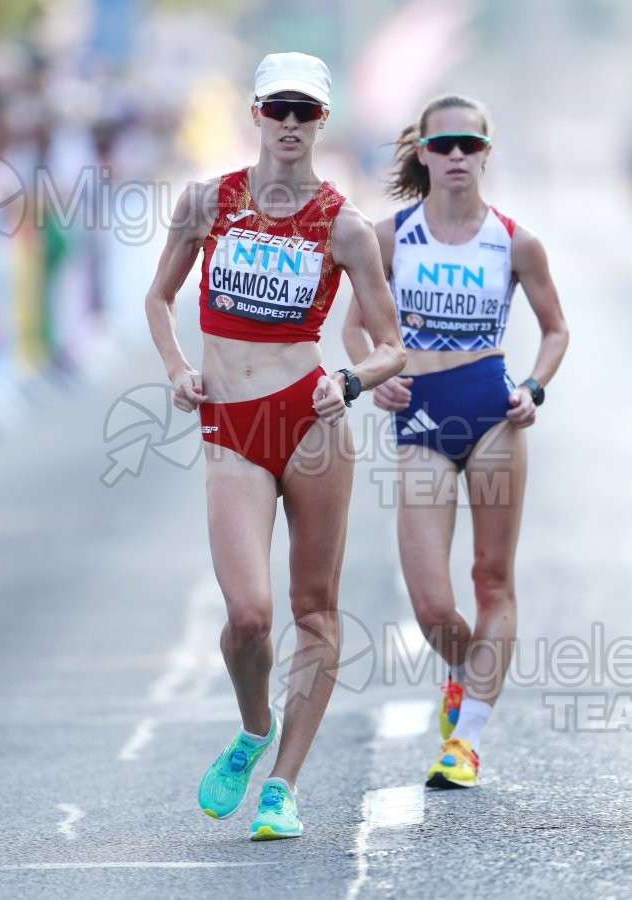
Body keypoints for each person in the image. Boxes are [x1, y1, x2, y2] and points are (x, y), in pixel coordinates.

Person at [145, 51, 405, 839]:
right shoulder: (208, 202)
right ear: (256, 112)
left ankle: (283, 787)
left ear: (322, 121)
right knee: (250, 616)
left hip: (313, 419)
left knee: (314, 611)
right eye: (278, 108)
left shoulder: (344, 226)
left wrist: (353, 383)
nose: (290, 124)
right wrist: (178, 369)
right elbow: (159, 297)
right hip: (233, 426)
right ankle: (254, 729)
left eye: (306, 111)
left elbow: (392, 345)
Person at [342, 94, 569, 788]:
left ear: (487, 153)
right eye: (445, 146)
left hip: (491, 411)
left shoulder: (515, 241)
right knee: (433, 604)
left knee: (492, 580)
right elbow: (356, 329)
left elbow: (556, 329)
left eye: (471, 145)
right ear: (423, 154)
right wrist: (370, 377)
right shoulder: (387, 236)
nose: (458, 157)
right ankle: (465, 674)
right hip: (421, 416)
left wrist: (533, 387)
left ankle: (466, 739)